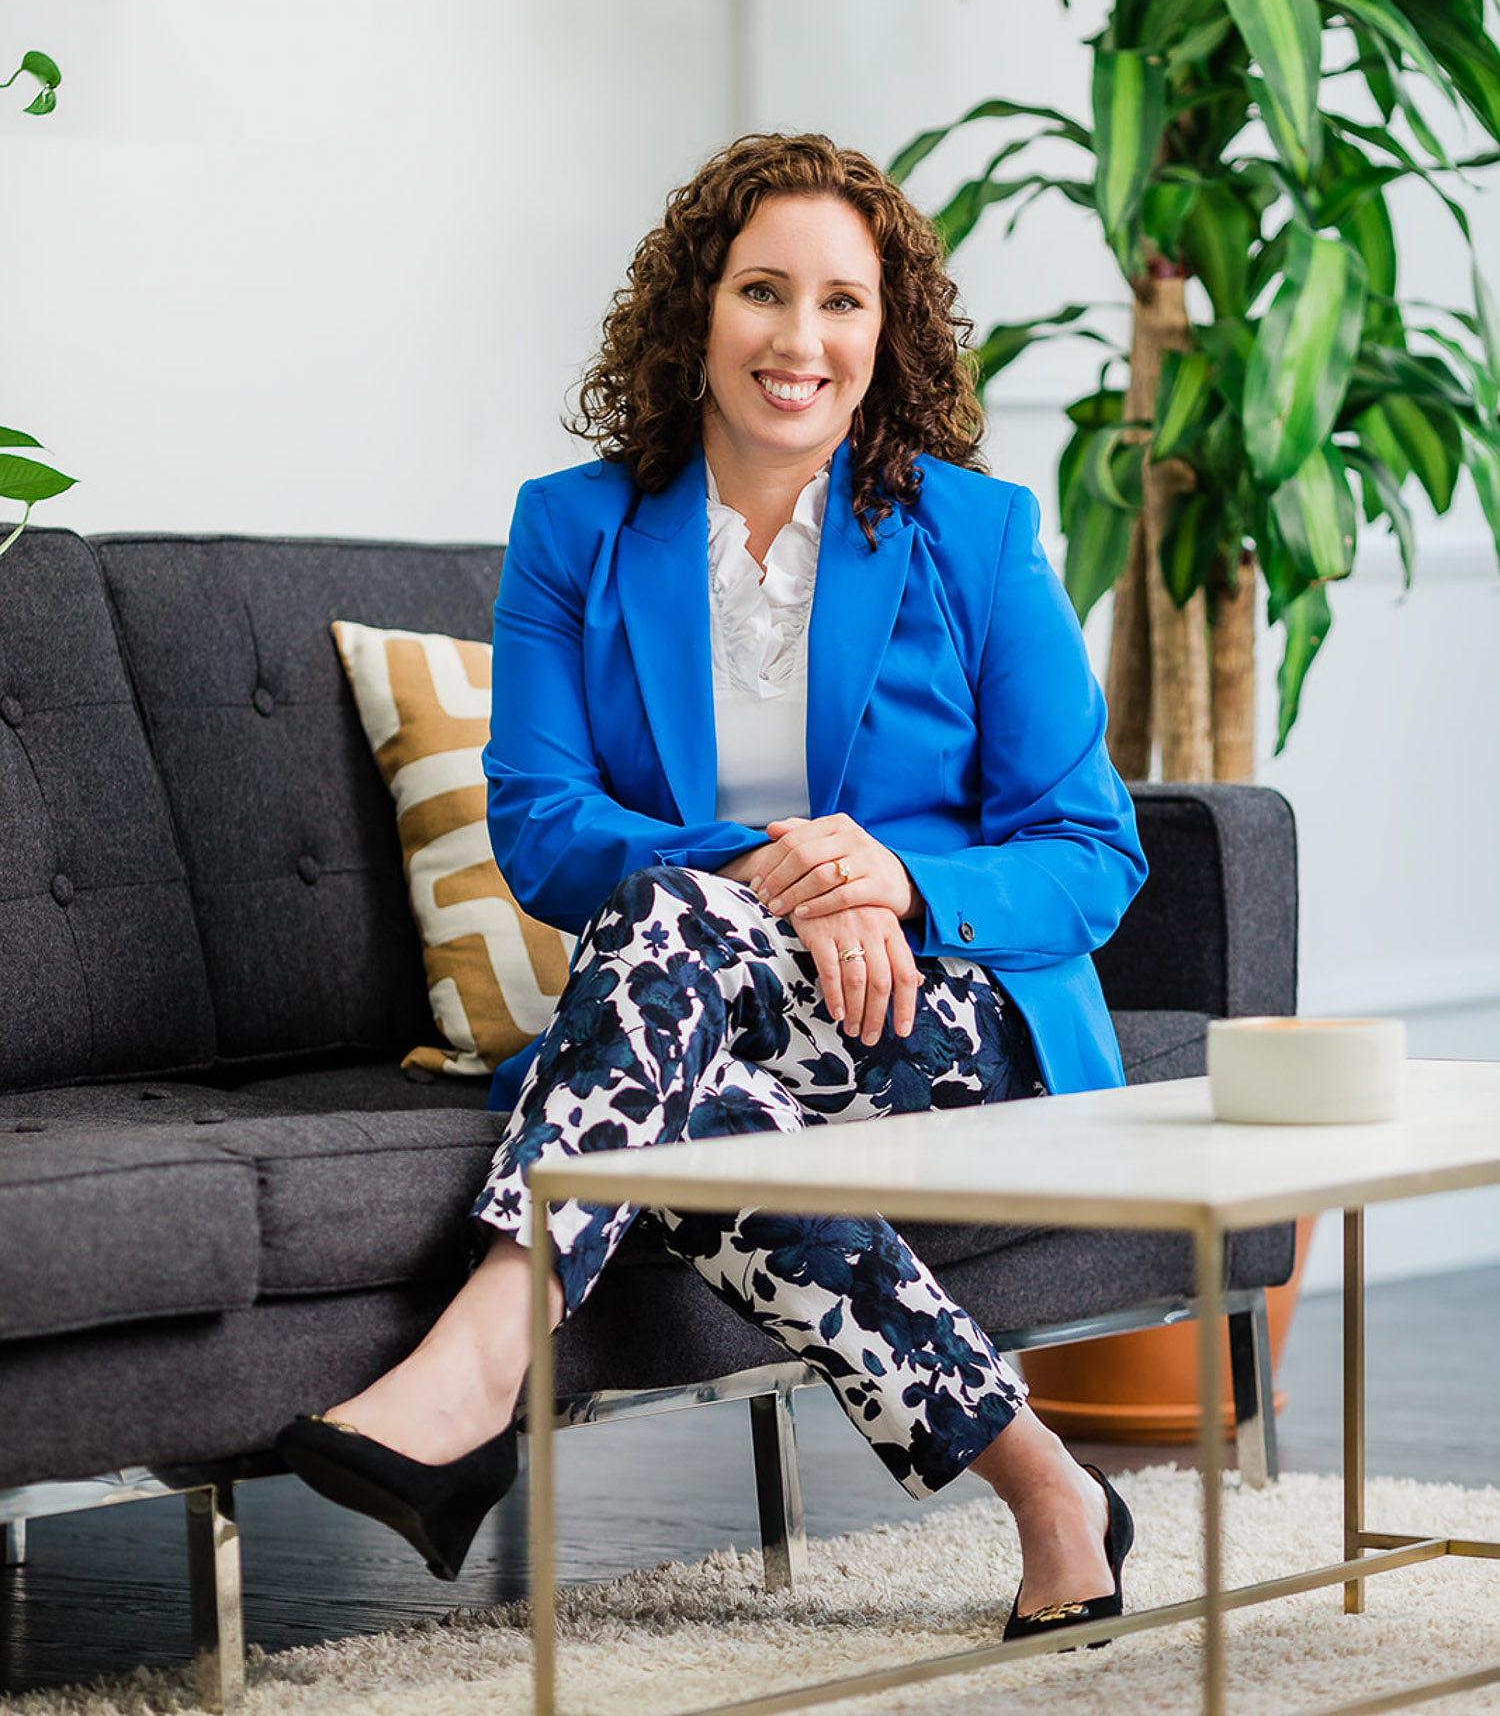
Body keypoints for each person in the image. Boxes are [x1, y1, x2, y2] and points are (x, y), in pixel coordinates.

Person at [279, 132, 1148, 1641]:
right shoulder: (575, 529)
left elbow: (1093, 850)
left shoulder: (977, 535)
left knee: (665, 959)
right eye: (762, 290)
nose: (799, 340)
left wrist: (894, 874)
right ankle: (1055, 1486)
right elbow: (543, 829)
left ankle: (490, 1349)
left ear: (891, 334)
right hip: (699, 1025)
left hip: (942, 1017)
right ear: (698, 310)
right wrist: (773, 873)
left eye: (842, 302)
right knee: (705, 1100)